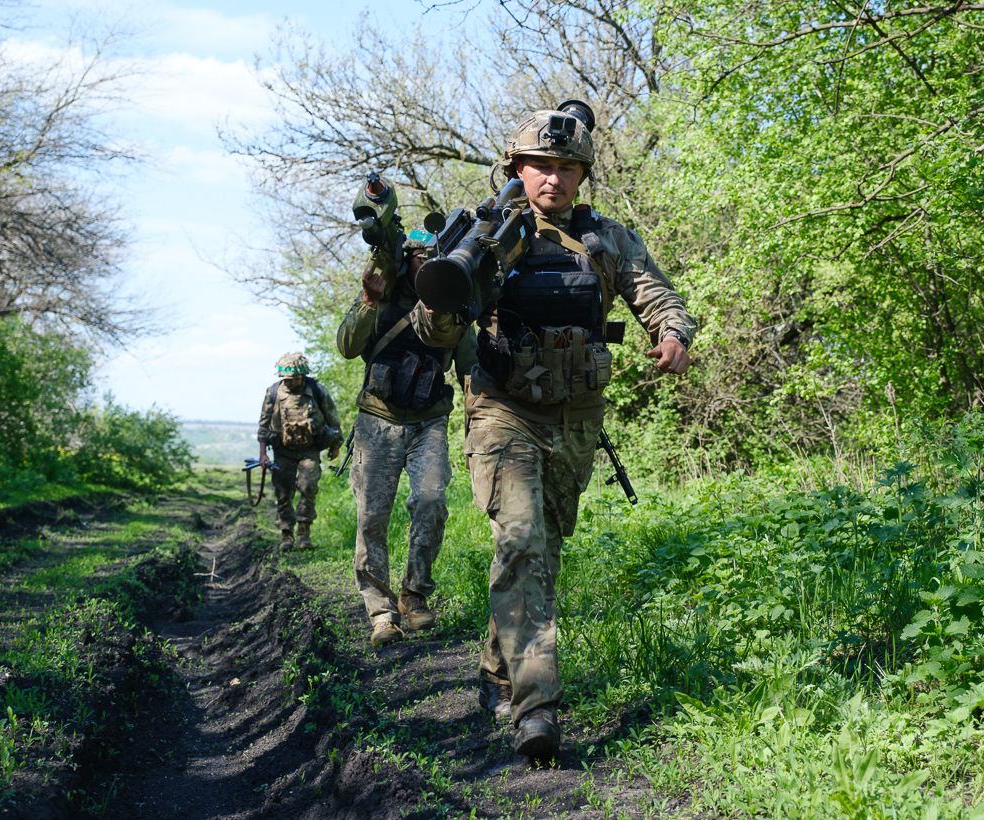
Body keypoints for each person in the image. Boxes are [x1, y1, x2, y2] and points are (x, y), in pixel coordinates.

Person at [411, 101, 696, 759]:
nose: (554, 178)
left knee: (543, 550)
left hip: (574, 416)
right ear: (516, 167)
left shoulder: (607, 239)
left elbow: (657, 295)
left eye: (567, 166)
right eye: (541, 164)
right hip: (501, 409)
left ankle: (497, 669)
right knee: (519, 540)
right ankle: (536, 709)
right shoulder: (485, 234)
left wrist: (673, 335)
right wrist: (447, 296)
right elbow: (436, 333)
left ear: (582, 173)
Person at [337, 237, 477, 648]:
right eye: (420, 257)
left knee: (432, 502)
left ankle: (414, 594)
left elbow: (470, 372)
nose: (428, 264)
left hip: (429, 422)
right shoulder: (381, 299)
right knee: (371, 518)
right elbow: (346, 346)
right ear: (405, 261)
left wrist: (477, 429)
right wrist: (367, 298)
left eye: (436, 257)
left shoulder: (454, 307)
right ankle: (381, 613)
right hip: (377, 422)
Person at [256, 353, 344, 550]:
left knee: (308, 487)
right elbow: (263, 425)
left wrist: (335, 445)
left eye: (295, 378)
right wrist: (263, 453)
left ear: (303, 375)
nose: (291, 382)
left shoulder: (317, 390)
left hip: (309, 450)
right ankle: (286, 534)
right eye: (287, 379)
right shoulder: (273, 393)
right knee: (283, 491)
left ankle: (304, 533)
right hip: (282, 451)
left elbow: (332, 418)